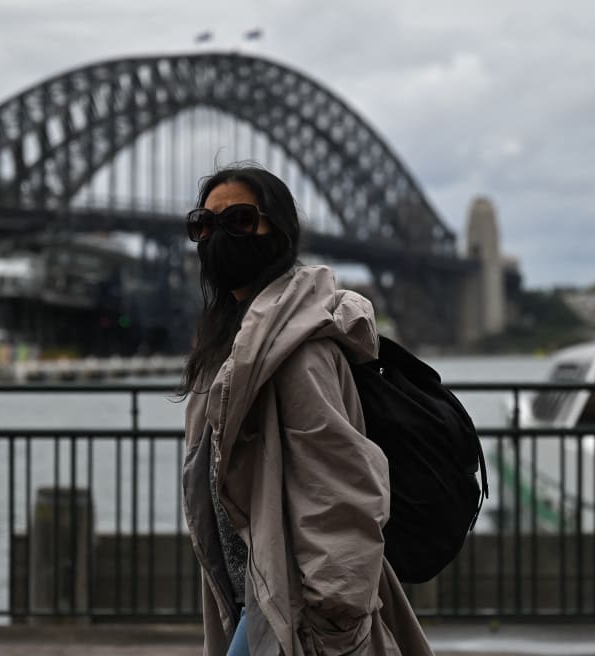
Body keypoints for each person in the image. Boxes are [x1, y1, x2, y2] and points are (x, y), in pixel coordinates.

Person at [180, 164, 434, 656]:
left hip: (296, 610)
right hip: (255, 595)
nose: (217, 237)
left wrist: (335, 617)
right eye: (203, 225)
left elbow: (342, 488)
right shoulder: (233, 349)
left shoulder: (299, 352)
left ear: (279, 231)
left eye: (239, 220)